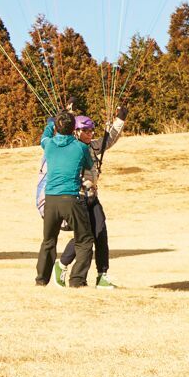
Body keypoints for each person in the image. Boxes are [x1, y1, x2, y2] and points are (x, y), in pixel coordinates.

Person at [55, 105, 128, 288]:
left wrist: (120, 119)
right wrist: (67, 114)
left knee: (100, 232)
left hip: (92, 197)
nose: (89, 133)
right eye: (84, 130)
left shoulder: (94, 146)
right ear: (76, 131)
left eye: (90, 130)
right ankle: (62, 264)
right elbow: (59, 134)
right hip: (76, 198)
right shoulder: (69, 148)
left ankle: (102, 275)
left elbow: (109, 139)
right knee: (84, 236)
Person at [36, 109, 95, 288]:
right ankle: (77, 280)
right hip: (71, 197)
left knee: (48, 240)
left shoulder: (49, 145)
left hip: (51, 199)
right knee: (84, 239)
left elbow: (44, 137)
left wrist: (50, 123)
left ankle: (41, 280)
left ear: (56, 127)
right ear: (73, 129)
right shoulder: (81, 147)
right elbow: (89, 165)